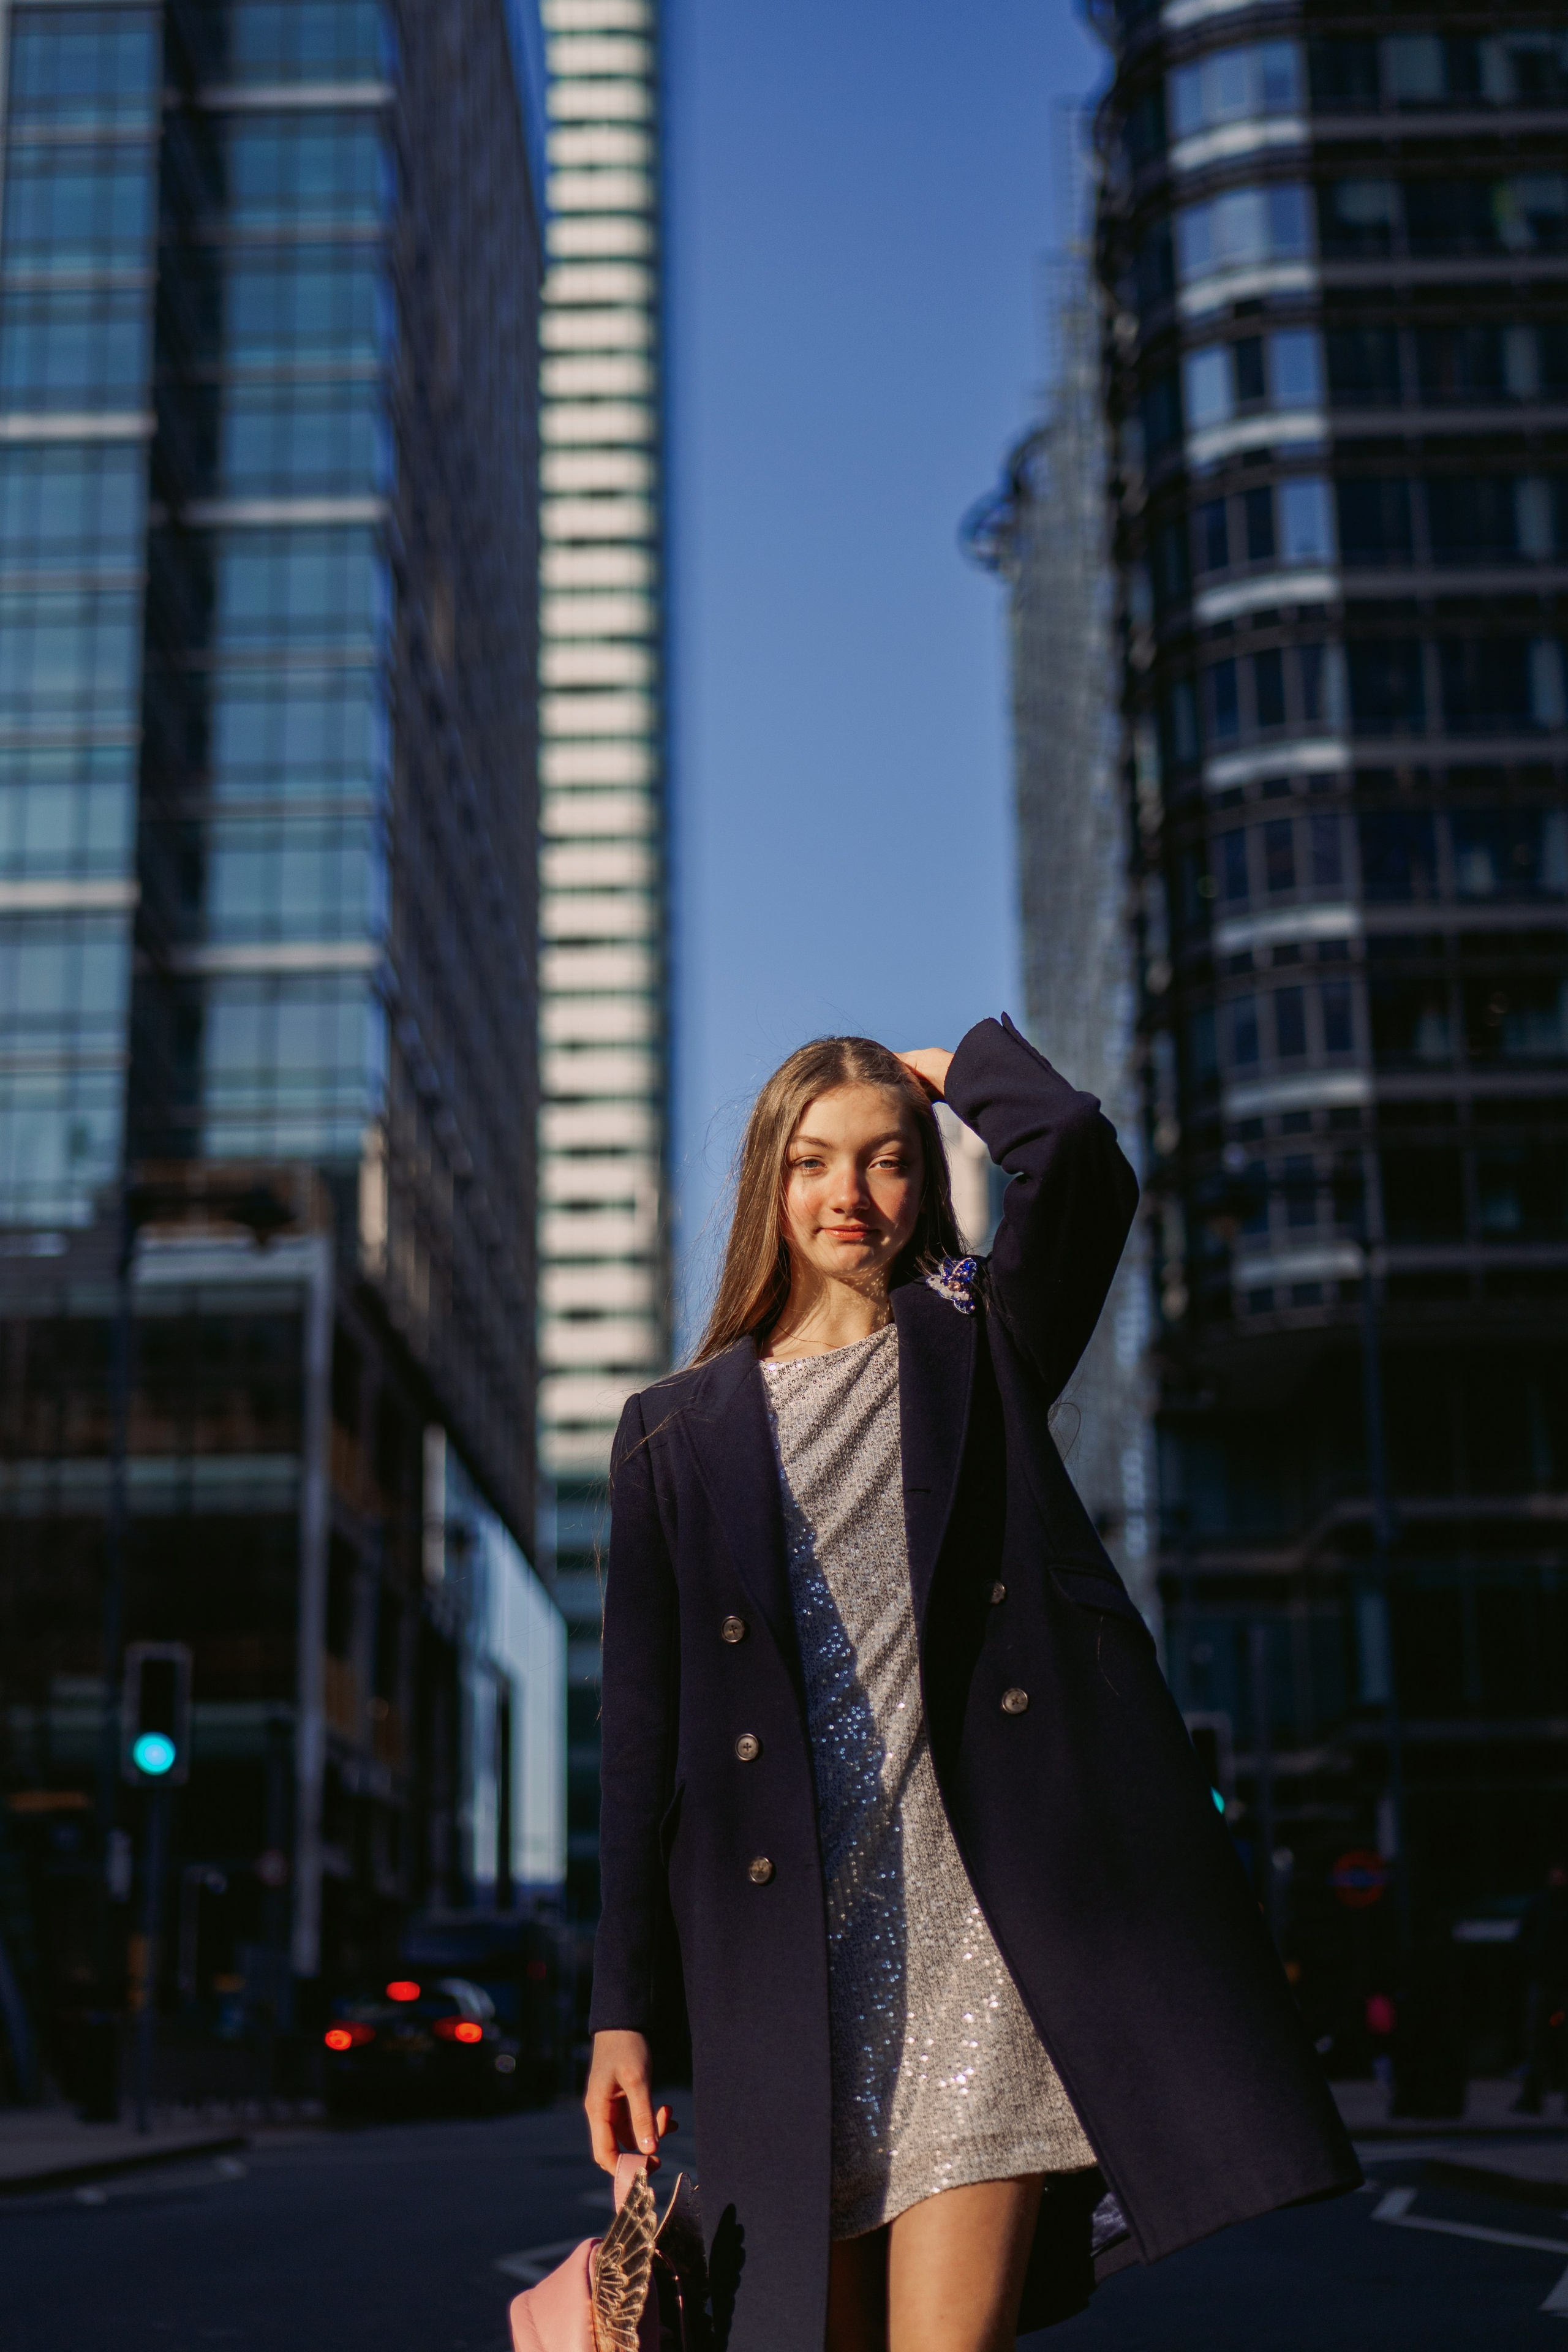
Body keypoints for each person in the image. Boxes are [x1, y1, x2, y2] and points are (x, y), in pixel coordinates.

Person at [586, 1017, 1359, 2352]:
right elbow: (641, 1753)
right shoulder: (669, 1435)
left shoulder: (976, 1342)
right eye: (814, 1161)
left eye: (887, 1161)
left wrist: (942, 1070)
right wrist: (621, 2011)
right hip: (783, 1972)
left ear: (924, 1177)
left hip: (983, 1953)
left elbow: (1074, 1157)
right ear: (766, 1181)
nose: (849, 1196)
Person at [1514, 1861, 1568, 2115]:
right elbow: (1524, 1938)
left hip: (1554, 1980)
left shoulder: (1545, 1905)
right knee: (1536, 2039)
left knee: (1541, 2038)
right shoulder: (1541, 1904)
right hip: (1544, 1979)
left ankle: (1533, 2096)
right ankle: (1532, 2096)